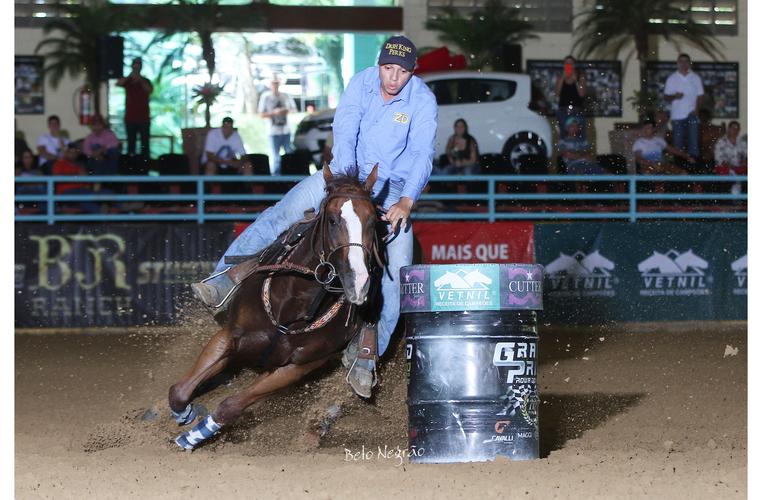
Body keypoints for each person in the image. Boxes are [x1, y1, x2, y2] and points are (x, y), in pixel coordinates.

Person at [192, 35, 438, 398]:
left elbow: (422, 155)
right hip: (343, 178)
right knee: (280, 216)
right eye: (388, 68)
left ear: (411, 72)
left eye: (401, 71)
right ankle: (222, 281)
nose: (392, 77)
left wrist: (406, 201)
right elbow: (345, 129)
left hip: (390, 194)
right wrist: (348, 187)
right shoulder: (362, 82)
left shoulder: (422, 100)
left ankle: (366, 357)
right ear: (379, 65)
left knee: (396, 278)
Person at [663, 53, 704, 159]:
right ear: (677, 63)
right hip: (677, 116)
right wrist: (675, 96)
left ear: (690, 63)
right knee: (678, 145)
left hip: (692, 114)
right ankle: (679, 170)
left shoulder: (695, 78)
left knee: (693, 143)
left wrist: (697, 109)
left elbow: (700, 96)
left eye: (686, 61)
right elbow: (666, 97)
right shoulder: (672, 78)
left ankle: (694, 170)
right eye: (681, 61)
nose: (684, 64)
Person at [258, 76, 298, 175]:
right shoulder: (266, 97)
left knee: (289, 154)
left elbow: (294, 109)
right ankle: (276, 177)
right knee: (275, 157)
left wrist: (285, 111)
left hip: (286, 130)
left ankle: (289, 174)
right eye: (273, 83)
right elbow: (261, 114)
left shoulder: (286, 96)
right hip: (273, 131)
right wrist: (274, 113)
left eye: (277, 83)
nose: (275, 85)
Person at [117, 57, 154, 158]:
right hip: (130, 118)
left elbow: (149, 90)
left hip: (144, 118)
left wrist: (139, 79)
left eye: (138, 64)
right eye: (135, 64)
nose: (136, 66)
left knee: (144, 145)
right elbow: (118, 83)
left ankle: (145, 169)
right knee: (131, 144)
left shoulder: (146, 81)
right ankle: (131, 169)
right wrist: (131, 76)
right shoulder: (128, 81)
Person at [52, 144, 103, 214]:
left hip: (82, 192)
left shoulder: (80, 166)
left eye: (75, 152)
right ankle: (102, 215)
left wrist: (86, 177)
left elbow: (87, 183)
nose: (73, 154)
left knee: (105, 193)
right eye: (70, 152)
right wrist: (76, 176)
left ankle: (105, 214)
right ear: (66, 153)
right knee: (89, 197)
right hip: (66, 192)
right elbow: (57, 178)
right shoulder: (59, 164)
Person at [555, 55, 586, 140]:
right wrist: (562, 78)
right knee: (563, 135)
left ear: (574, 65)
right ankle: (564, 151)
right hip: (563, 110)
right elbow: (557, 93)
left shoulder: (580, 77)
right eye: (566, 63)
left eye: (571, 63)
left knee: (579, 135)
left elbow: (582, 94)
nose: (569, 65)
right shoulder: (560, 76)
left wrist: (576, 80)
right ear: (564, 65)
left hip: (577, 110)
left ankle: (579, 151)